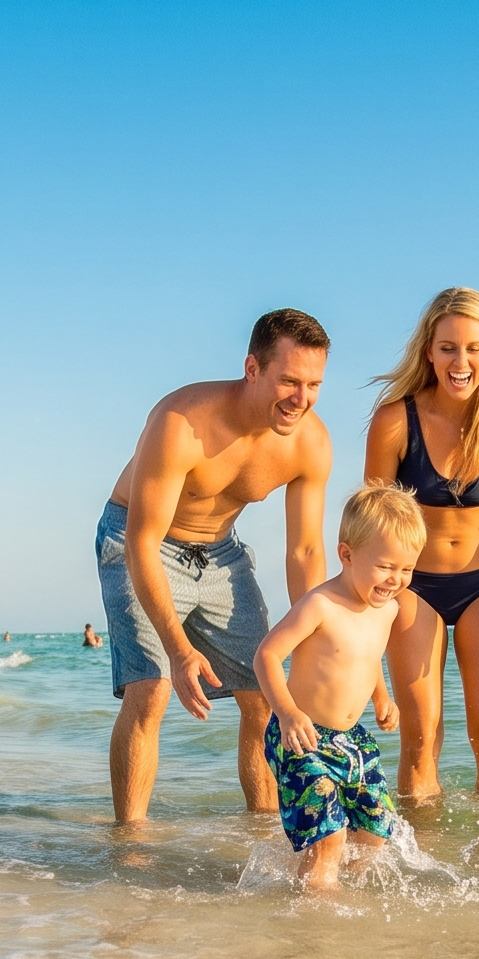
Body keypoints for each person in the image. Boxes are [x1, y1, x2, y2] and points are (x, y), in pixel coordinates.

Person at [99, 308, 336, 824]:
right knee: (151, 691)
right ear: (252, 369)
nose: (302, 398)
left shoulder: (310, 444)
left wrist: (316, 635)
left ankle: (264, 833)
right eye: (289, 380)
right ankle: (130, 842)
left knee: (265, 697)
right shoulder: (182, 422)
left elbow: (304, 553)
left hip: (222, 550)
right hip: (141, 539)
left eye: (314, 384)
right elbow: (142, 540)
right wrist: (180, 651)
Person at [365, 288, 479, 803]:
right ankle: (422, 867)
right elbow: (373, 521)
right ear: (428, 351)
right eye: (447, 348)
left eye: (472, 348)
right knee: (421, 737)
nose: (460, 362)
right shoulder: (395, 421)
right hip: (411, 584)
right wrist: (367, 603)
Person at [251, 486, 423, 890]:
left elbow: (368, 655)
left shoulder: (388, 609)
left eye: (407, 569)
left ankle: (333, 890)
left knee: (377, 830)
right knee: (329, 839)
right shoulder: (320, 605)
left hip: (350, 741)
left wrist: (382, 696)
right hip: (301, 737)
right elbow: (267, 656)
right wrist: (288, 712)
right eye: (386, 567)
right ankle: (317, 916)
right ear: (346, 555)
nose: (395, 580)